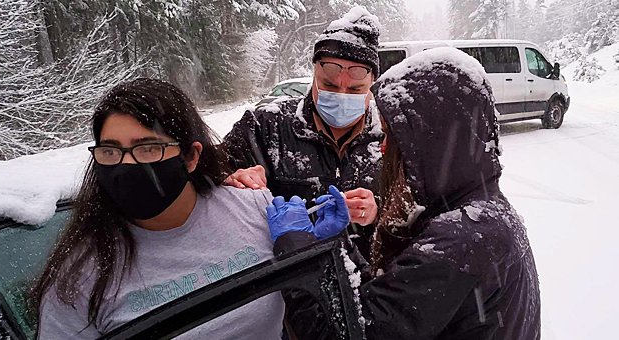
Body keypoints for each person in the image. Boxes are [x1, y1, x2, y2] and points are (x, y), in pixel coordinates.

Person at [30, 78, 348, 339]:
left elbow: (316, 313)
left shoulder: (252, 207)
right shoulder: (79, 277)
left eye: (148, 149)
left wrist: (309, 257)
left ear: (190, 157)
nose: (126, 166)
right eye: (111, 152)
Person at [267, 48, 541, 339]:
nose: (383, 149)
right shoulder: (480, 212)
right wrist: (338, 245)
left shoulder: (460, 241)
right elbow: (381, 303)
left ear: (429, 140)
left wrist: (298, 254)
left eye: (391, 137)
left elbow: (351, 334)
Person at [223, 6, 383, 255]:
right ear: (314, 74)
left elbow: (416, 212)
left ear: (371, 83)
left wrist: (378, 211)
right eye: (329, 85)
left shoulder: (390, 137)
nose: (341, 95)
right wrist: (230, 179)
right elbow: (203, 177)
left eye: (354, 90)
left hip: (367, 284)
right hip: (287, 282)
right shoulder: (266, 126)